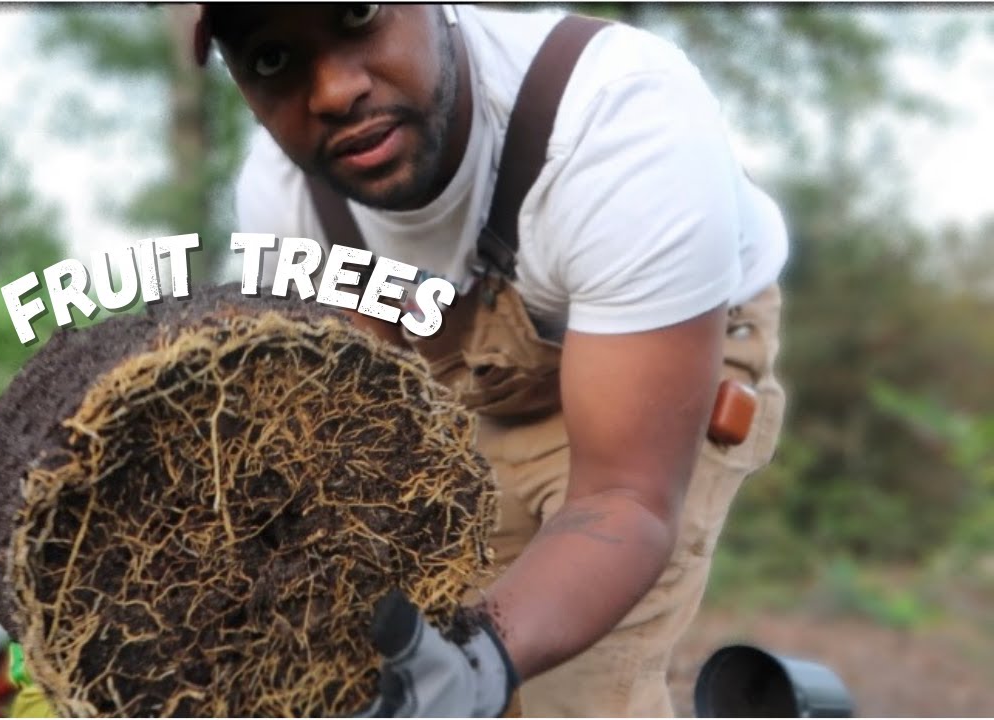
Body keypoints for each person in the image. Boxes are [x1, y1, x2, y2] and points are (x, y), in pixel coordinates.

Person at [203, 3, 790, 717]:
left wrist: (480, 655)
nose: (332, 92)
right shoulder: (285, 201)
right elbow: (371, 432)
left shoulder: (618, 123)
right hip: (465, 383)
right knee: (404, 654)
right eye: (270, 59)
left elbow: (624, 499)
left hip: (661, 366)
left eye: (356, 14)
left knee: (568, 692)